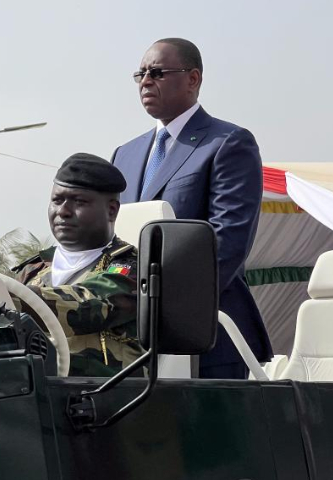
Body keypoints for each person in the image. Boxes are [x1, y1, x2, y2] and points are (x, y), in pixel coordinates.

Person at [110, 38, 272, 378]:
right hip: (132, 339)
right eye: (140, 74)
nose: (145, 81)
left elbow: (227, 242)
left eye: (157, 72)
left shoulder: (227, 143)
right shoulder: (124, 154)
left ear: (193, 79)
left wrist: (163, 306)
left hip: (206, 335)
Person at [13, 153, 143, 377]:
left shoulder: (130, 266)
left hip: (108, 396)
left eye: (79, 202)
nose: (63, 211)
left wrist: (11, 298)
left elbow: (89, 305)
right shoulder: (33, 270)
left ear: (111, 210)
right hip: (35, 394)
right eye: (57, 200)